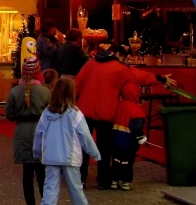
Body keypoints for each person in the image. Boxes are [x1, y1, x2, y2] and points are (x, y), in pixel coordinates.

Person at [74, 41, 176, 189]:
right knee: (104, 148)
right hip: (106, 112)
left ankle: (80, 180)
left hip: (84, 111)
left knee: (83, 146)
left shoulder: (90, 63)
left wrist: (70, 104)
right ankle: (103, 181)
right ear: (120, 55)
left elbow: (77, 83)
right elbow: (140, 77)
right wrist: (161, 79)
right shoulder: (120, 68)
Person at [33, 77, 101, 205]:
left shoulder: (46, 113)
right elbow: (85, 135)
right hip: (70, 156)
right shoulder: (75, 113)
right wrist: (95, 153)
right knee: (75, 187)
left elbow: (39, 133)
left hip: (50, 155)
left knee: (50, 186)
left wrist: (36, 151)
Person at [5, 57, 50, 205]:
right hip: (41, 130)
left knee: (27, 173)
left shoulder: (15, 91)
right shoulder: (45, 91)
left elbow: (9, 114)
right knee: (42, 172)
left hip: (22, 131)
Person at [111, 82, 147, 191]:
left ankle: (114, 181)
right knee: (127, 163)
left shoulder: (119, 105)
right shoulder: (135, 109)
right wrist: (141, 138)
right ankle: (126, 182)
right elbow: (137, 126)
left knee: (116, 161)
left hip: (116, 140)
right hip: (128, 143)